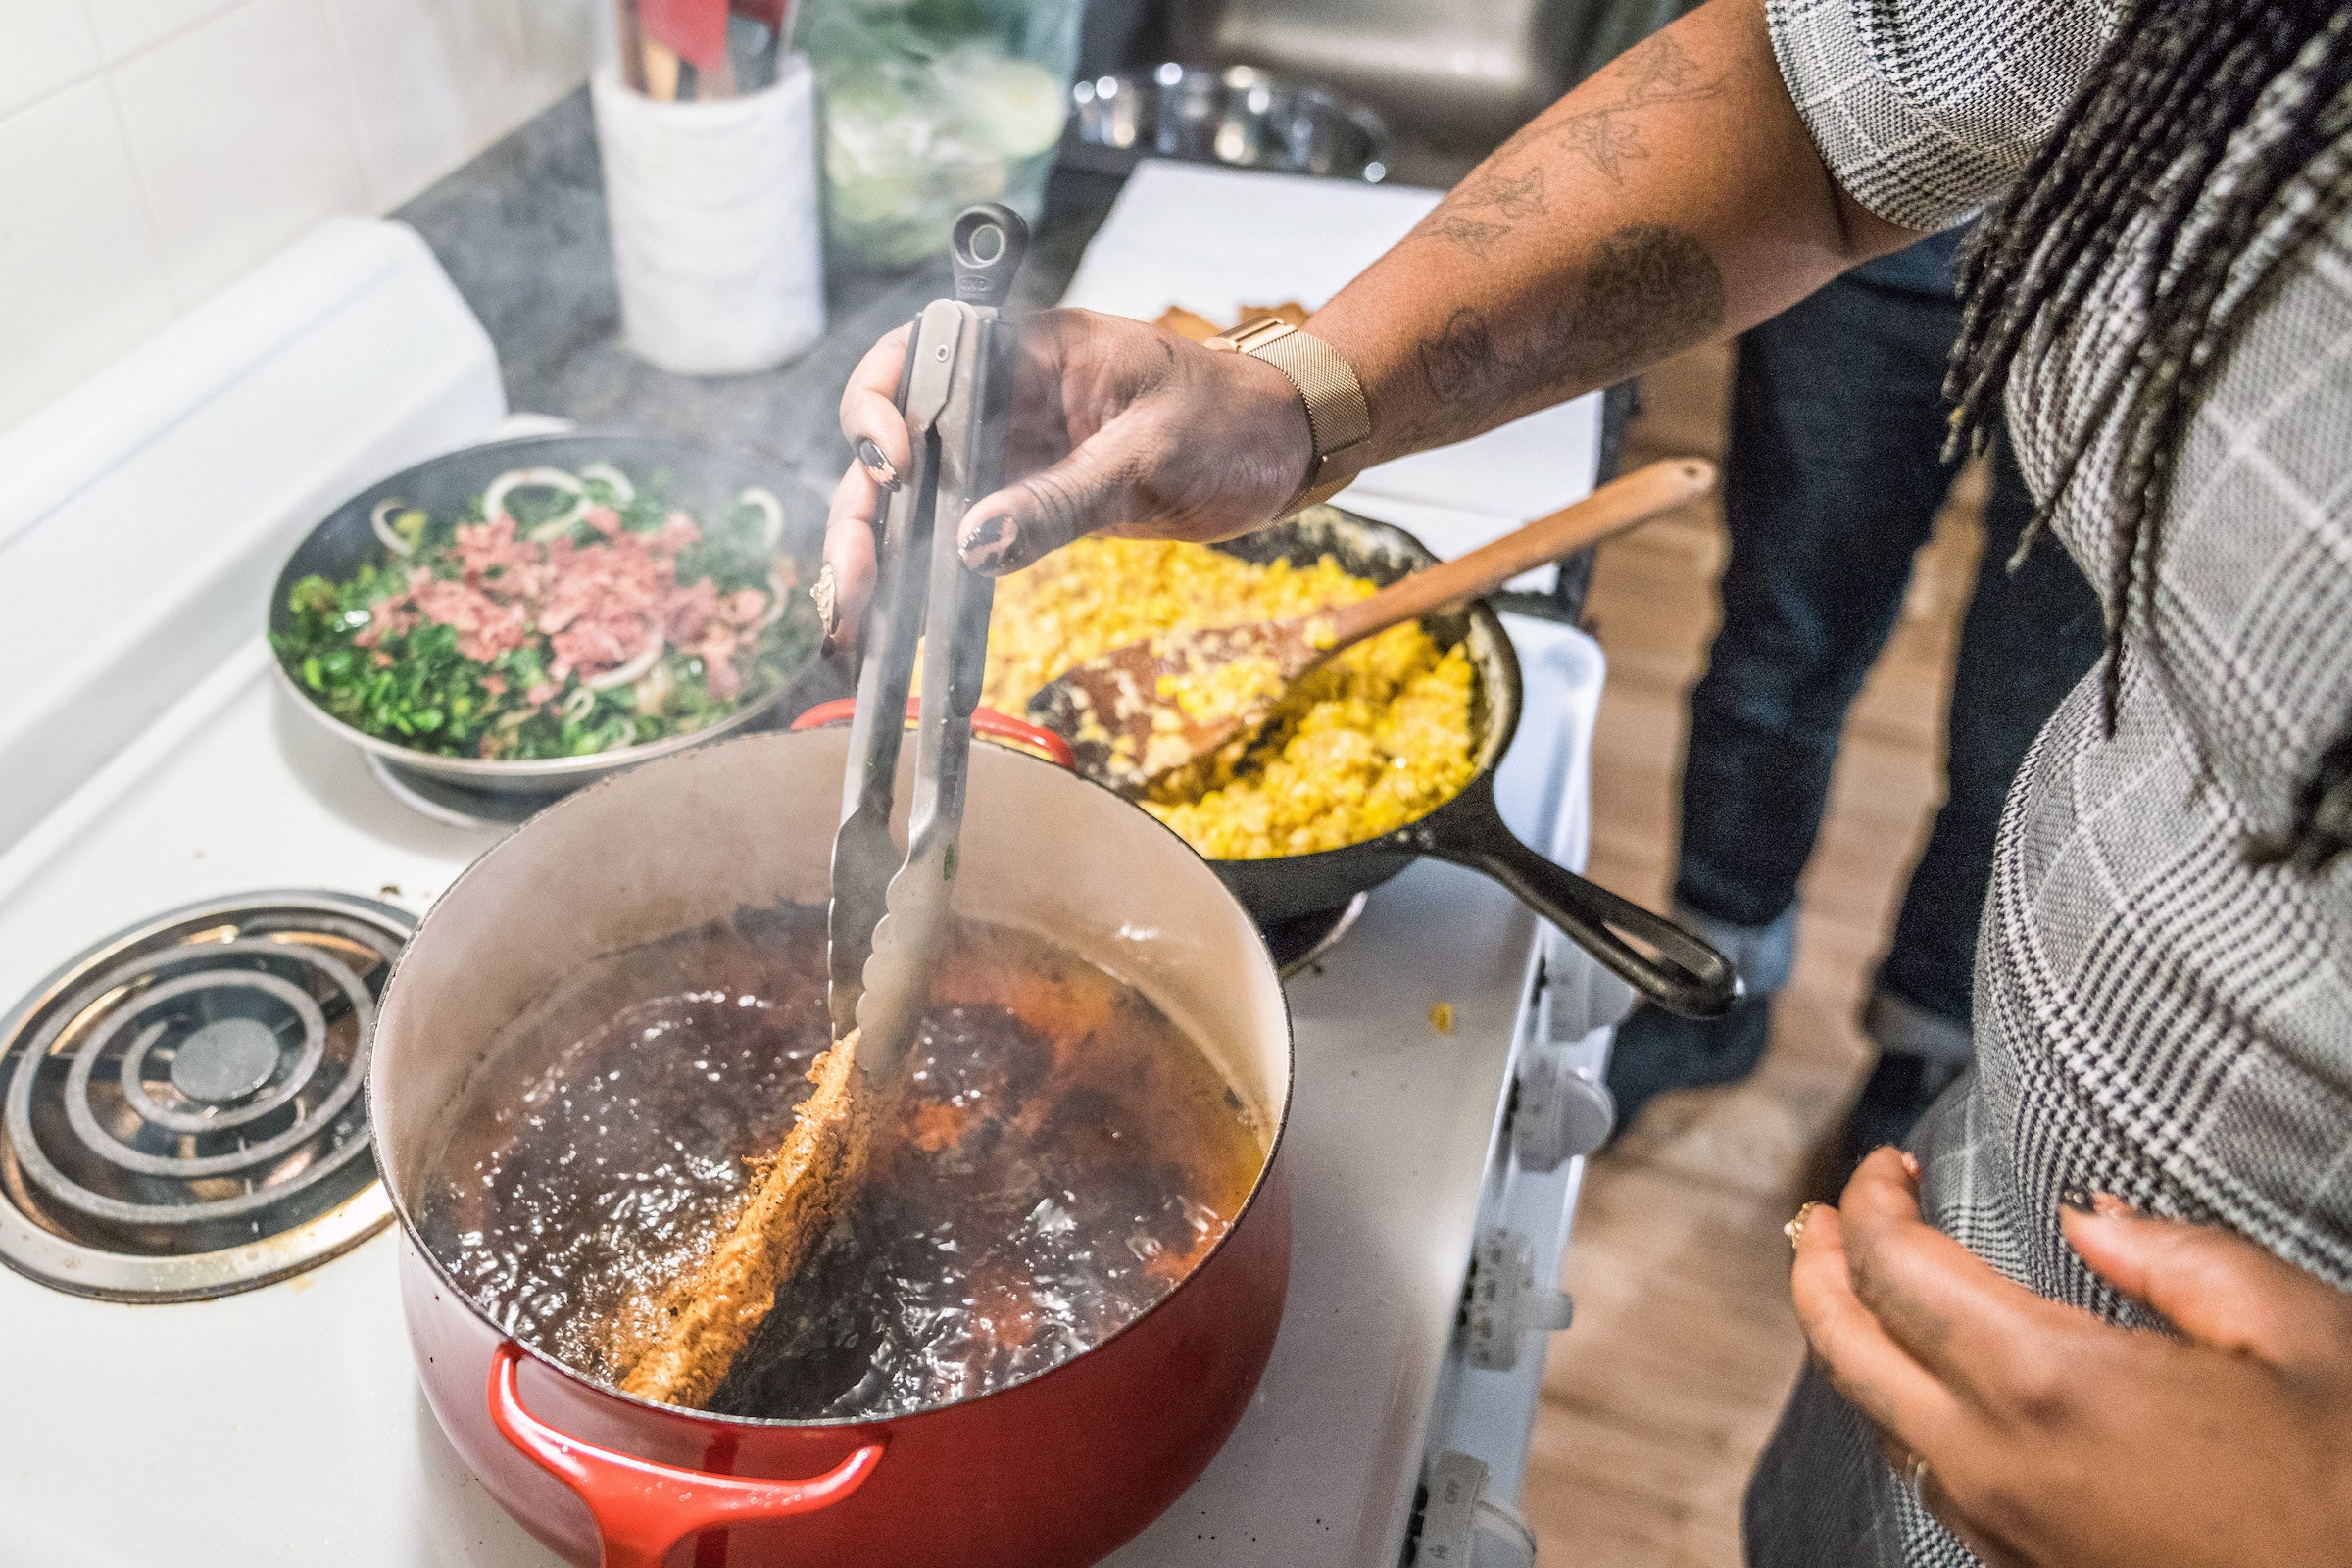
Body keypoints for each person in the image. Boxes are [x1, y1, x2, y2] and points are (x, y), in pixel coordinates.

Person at [818, 0, 2352, 1560]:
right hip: (1990, 1237)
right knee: (1793, 641)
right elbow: (1837, 102)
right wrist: (1287, 404)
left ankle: (1905, 1030)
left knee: (1988, 696)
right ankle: (1788, 989)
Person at [1604, 226, 2106, 1158]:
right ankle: (1718, 981)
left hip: (2138, 293)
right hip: (1878, 228)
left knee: (2023, 748)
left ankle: (1926, 1045)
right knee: (1773, 664)